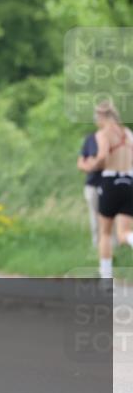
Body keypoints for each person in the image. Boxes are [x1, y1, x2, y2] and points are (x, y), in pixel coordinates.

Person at [79, 99, 133, 279]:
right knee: (125, 233)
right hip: (129, 182)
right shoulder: (128, 133)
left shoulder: (103, 134)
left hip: (110, 182)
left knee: (105, 232)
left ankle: (105, 277)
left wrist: (90, 165)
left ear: (103, 116)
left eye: (97, 118)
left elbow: (102, 156)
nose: (97, 122)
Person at [78, 131, 103, 250]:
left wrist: (94, 161)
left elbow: (103, 160)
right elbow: (81, 163)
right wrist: (93, 164)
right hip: (92, 184)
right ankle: (96, 247)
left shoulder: (116, 136)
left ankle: (115, 248)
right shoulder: (91, 138)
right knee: (95, 218)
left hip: (109, 184)